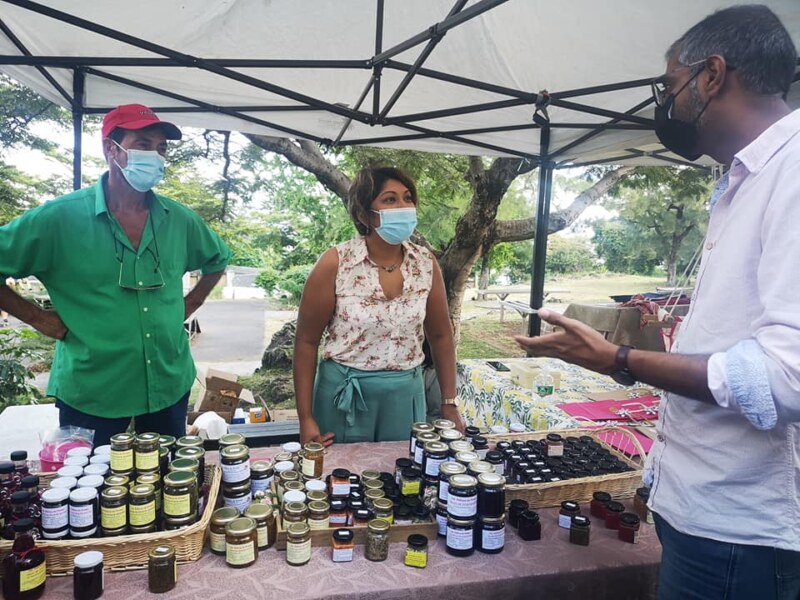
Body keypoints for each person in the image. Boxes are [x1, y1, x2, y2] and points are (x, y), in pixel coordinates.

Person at [516, 6, 800, 599]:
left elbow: (784, 377)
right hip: (702, 510)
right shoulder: (744, 180)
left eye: (671, 85)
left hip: (744, 531)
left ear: (712, 75)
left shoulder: (792, 175)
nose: (666, 102)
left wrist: (619, 358)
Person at [0, 104, 231, 446]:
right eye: (143, 144)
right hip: (94, 390)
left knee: (170, 474)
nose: (155, 156)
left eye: (161, 148)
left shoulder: (179, 220)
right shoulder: (59, 219)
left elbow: (217, 259)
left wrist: (190, 303)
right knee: (92, 479)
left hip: (167, 382)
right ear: (111, 148)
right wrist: (38, 319)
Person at [294, 165, 462, 445]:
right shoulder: (336, 263)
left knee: (402, 470)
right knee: (341, 471)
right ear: (364, 214)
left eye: (408, 198)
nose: (403, 206)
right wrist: (305, 418)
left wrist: (449, 402)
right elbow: (306, 342)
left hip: (404, 397)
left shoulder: (425, 263)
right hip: (344, 396)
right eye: (390, 199)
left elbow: (441, 335)